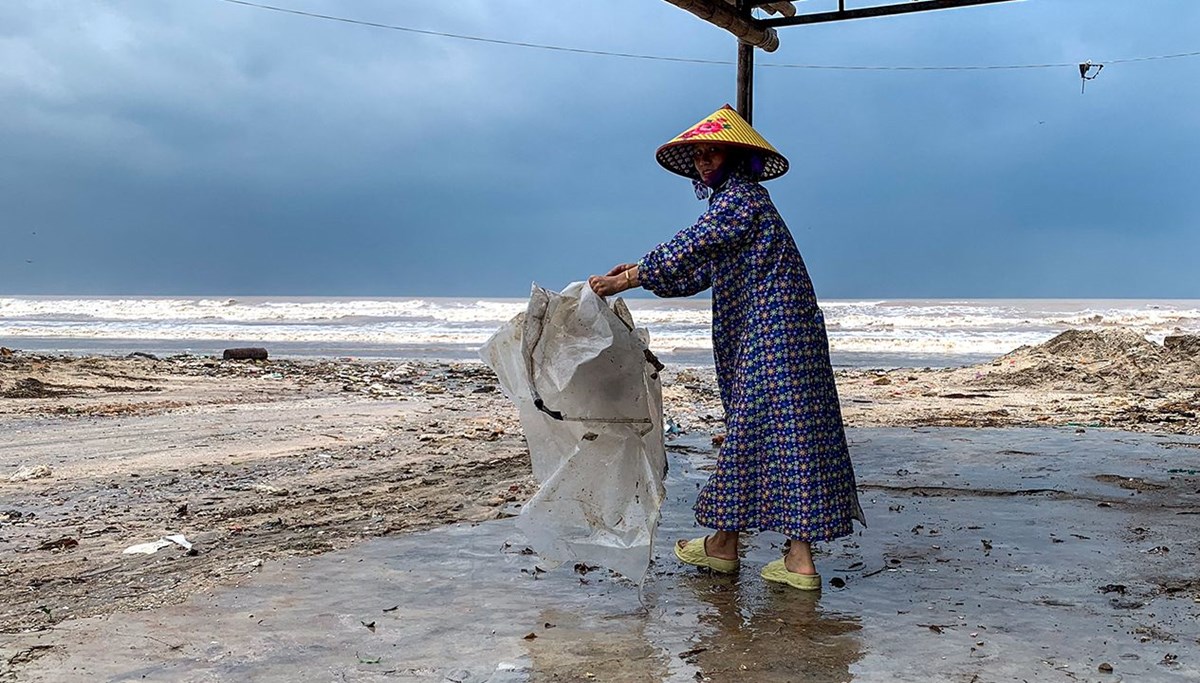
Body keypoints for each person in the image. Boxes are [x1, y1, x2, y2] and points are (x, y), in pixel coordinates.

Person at [588, 105, 865, 591]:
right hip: (781, 332)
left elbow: (692, 244)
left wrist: (629, 278)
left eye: (712, 151)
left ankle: (727, 544)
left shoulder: (742, 200)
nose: (703, 160)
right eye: (698, 154)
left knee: (752, 431)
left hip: (773, 332)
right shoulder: (736, 209)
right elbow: (695, 271)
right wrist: (637, 271)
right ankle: (790, 557)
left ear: (736, 157)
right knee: (788, 436)